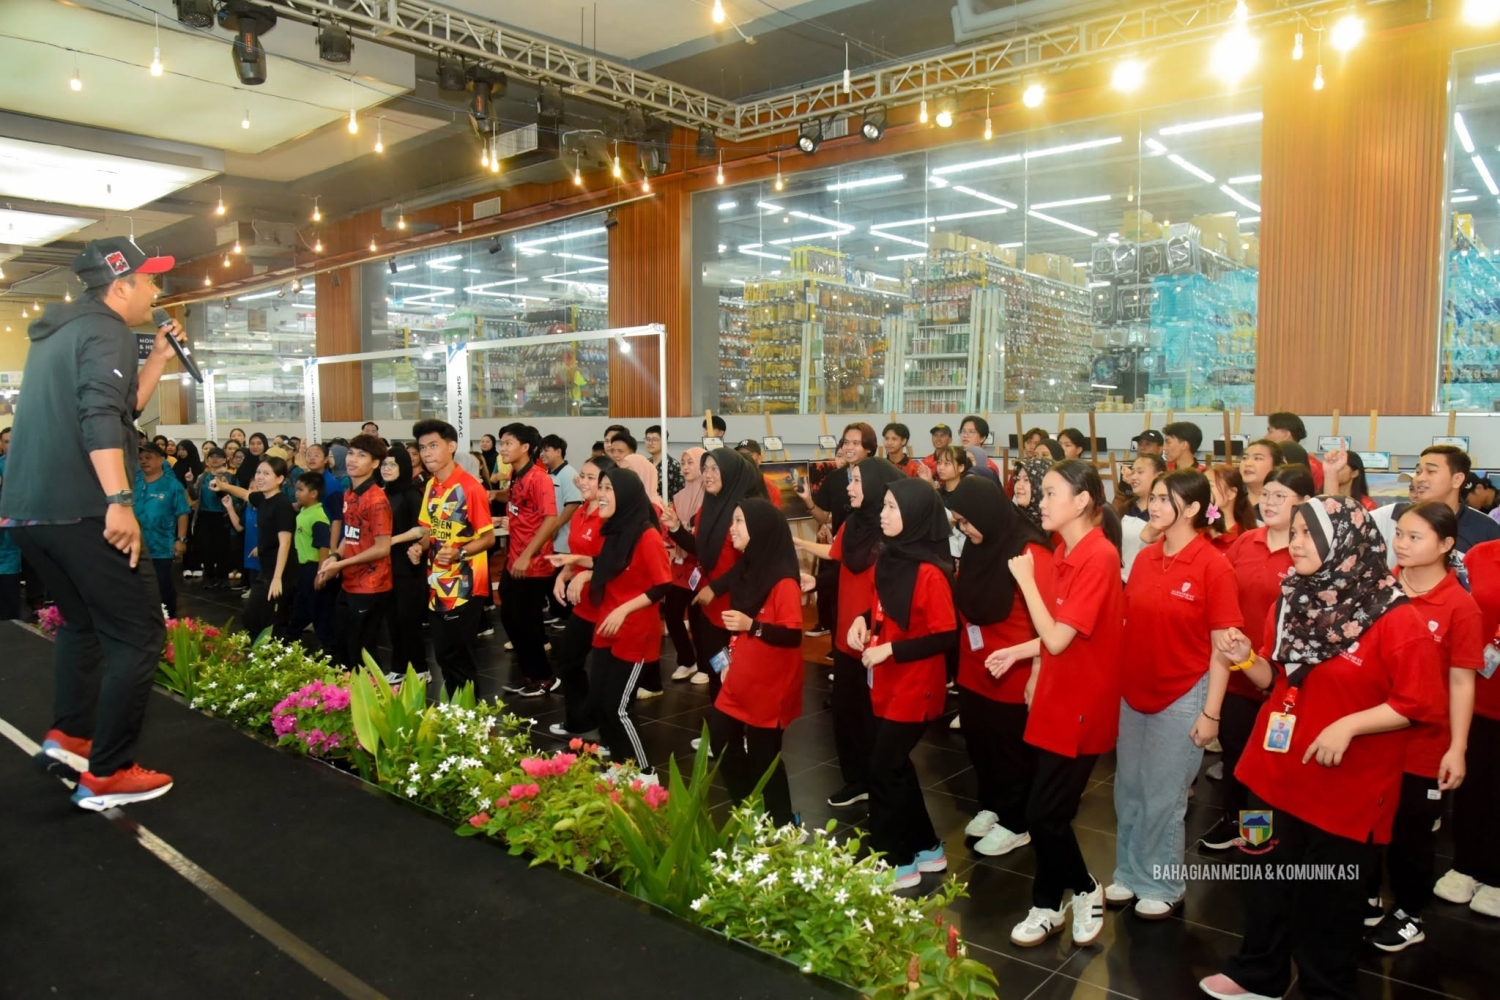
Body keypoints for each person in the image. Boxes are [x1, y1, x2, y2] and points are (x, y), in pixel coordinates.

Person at [1200, 496, 1445, 1000]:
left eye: (1309, 534)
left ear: (1347, 543)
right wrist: (1245, 659)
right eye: (1294, 532)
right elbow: (1275, 678)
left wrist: (1350, 725)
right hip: (1270, 772)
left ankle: (1324, 988)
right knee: (1264, 876)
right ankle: (1258, 973)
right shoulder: (1292, 597)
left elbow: (1420, 703)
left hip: (1344, 785)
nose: (1296, 543)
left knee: (1329, 898)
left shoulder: (1394, 617)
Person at [10, 238, 184, 808]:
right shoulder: (107, 330)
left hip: (32, 512)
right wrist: (119, 499)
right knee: (140, 636)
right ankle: (107, 773)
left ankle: (71, 737)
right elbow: (100, 415)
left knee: (84, 625)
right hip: (85, 508)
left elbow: (120, 407)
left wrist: (157, 358)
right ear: (120, 285)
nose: (155, 290)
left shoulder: (59, 332)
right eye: (148, 279)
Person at [989, 460, 1122, 948]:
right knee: (1048, 811)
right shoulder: (1067, 549)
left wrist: (1025, 581)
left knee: (1045, 814)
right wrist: (1019, 652)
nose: (1039, 502)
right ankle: (1046, 904)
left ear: (1082, 500)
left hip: (1082, 702)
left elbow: (1060, 638)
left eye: (1049, 493)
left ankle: (1085, 888)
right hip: (1056, 694)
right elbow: (1057, 633)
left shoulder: (1099, 556)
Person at [1108, 470, 1241, 919]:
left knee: (1164, 796)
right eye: (1155, 497)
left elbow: (1224, 648)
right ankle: (1129, 873)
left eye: (1166, 499)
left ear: (1193, 508)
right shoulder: (1146, 558)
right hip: (1134, 691)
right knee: (1129, 789)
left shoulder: (1213, 565)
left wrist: (1212, 712)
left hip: (1184, 692)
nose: (1155, 505)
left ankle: (1163, 884)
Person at [1361, 502, 1483, 951]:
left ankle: (1410, 912)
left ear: (1447, 544)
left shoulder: (1460, 606)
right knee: (1367, 822)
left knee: (1412, 833)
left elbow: (1462, 681)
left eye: (1415, 537)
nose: (1402, 544)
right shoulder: (1379, 588)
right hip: (1373, 733)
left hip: (1425, 743)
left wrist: (1457, 748)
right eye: (1400, 534)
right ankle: (1367, 897)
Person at [1200, 464, 1317, 852]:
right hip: (1237, 671)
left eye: (1280, 496)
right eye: (1266, 494)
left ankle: (1261, 836)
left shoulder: (1307, 552)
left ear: (1304, 503)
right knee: (1237, 757)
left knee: (1270, 768)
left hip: (1282, 683)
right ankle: (1235, 823)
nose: (1269, 502)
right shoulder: (1246, 542)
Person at [847, 480, 957, 890]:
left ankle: (897, 861)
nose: (883, 514)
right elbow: (882, 607)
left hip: (916, 683)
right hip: (888, 678)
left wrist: (890, 649)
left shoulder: (930, 573)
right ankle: (926, 847)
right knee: (894, 766)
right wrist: (861, 620)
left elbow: (946, 636)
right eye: (885, 506)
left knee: (883, 768)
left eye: (892, 507)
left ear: (914, 515)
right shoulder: (889, 557)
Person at [946, 477, 1052, 857]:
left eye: (966, 521)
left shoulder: (1029, 550)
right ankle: (992, 805)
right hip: (974, 663)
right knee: (980, 740)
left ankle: (1016, 822)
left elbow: (1049, 620)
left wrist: (1037, 670)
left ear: (986, 513)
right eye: (958, 522)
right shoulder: (979, 544)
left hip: (1013, 667)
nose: (963, 529)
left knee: (1010, 749)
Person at [795, 457, 905, 808]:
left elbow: (893, 590)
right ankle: (856, 780)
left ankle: (878, 781)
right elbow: (841, 566)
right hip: (846, 637)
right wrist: (816, 581)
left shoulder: (891, 531)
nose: (849, 487)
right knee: (846, 713)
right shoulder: (853, 525)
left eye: (856, 481)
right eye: (850, 480)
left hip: (878, 639)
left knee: (875, 718)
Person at [710, 498, 806, 827]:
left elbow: (792, 635)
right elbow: (735, 628)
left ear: (760, 529)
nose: (732, 529)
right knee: (722, 740)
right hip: (741, 678)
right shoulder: (747, 568)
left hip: (770, 686)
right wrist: (725, 661)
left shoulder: (783, 581)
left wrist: (753, 625)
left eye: (739, 521)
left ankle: (782, 823)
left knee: (765, 759)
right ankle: (749, 809)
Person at [585, 467, 672, 766]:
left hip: (634, 631)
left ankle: (644, 772)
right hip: (608, 626)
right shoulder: (614, 529)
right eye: (601, 487)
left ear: (626, 494)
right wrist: (580, 572)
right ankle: (620, 767)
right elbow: (609, 567)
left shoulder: (647, 535)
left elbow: (662, 584)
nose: (601, 494)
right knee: (599, 702)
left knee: (619, 708)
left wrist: (623, 609)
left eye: (609, 488)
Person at [662, 448, 759, 710]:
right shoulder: (709, 508)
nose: (708, 474)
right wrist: (675, 528)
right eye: (705, 469)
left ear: (730, 472)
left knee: (737, 668)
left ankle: (739, 723)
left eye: (715, 468)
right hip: (712, 605)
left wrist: (715, 587)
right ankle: (722, 723)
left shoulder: (746, 511)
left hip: (738, 605)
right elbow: (700, 550)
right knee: (718, 665)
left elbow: (752, 562)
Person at [1439, 537, 1500, 918]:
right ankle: (1466, 864)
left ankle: (1496, 877)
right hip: (1477, 694)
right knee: (1473, 785)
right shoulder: (1481, 555)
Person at [412, 419, 495, 696]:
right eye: (423, 447)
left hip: (465, 586)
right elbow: (427, 531)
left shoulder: (470, 488)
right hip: (437, 583)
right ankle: (455, 712)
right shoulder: (431, 486)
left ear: (451, 447)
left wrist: (460, 552)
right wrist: (419, 547)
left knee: (460, 659)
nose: (426, 453)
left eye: (433, 446)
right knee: (444, 657)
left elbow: (488, 538)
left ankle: (471, 715)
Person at [547, 456, 614, 740]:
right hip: (583, 605)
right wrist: (564, 574)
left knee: (605, 673)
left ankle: (610, 732)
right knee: (568, 661)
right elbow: (576, 554)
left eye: (590, 478)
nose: (582, 482)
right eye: (582, 476)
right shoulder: (581, 512)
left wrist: (583, 574)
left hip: (606, 605)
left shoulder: (610, 517)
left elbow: (612, 563)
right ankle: (580, 722)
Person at [496, 423, 563, 697]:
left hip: (533, 562)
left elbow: (551, 520)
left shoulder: (539, 478)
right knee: (510, 616)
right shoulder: (515, 473)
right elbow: (519, 504)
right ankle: (530, 674)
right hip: (515, 557)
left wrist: (526, 555)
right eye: (501, 443)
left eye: (508, 443)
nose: (502, 448)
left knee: (524, 619)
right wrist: (494, 496)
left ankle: (544, 677)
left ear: (525, 447)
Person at [1343, 445, 1500, 559]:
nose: (1420, 478)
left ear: (1457, 479)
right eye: (1418, 471)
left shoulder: (1486, 529)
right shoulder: (1390, 515)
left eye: (1431, 471)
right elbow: (1342, 535)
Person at [317, 435, 393, 672]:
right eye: (351, 453)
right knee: (344, 648)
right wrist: (335, 557)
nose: (352, 459)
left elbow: (382, 547)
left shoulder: (376, 499)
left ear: (375, 463)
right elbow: (350, 535)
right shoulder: (349, 491)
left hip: (371, 585)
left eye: (362, 455)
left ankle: (374, 693)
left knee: (363, 653)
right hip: (350, 581)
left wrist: (340, 565)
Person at [796, 423, 875, 643]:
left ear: (869, 447)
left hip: (868, 554)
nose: (849, 447)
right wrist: (808, 501)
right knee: (838, 607)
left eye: (856, 443)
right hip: (839, 550)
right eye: (846, 442)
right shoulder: (835, 478)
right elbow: (823, 517)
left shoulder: (877, 476)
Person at [212, 456, 297, 640]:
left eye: (266, 473)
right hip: (265, 569)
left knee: (271, 619)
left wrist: (277, 578)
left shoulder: (282, 504)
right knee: (252, 615)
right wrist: (224, 486)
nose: (260, 477)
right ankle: (261, 650)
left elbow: (285, 543)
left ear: (279, 479)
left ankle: (275, 651)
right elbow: (245, 494)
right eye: (258, 472)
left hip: (280, 571)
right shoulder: (262, 498)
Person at [380, 445, 429, 682]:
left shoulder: (412, 495)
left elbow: (422, 529)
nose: (387, 469)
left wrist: (392, 541)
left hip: (409, 565)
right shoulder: (383, 493)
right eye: (384, 464)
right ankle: (398, 667)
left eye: (393, 464)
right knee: (393, 620)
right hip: (388, 564)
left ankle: (421, 668)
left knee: (409, 620)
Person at [134, 442, 191, 618]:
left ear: (160, 460)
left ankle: (169, 620)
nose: (144, 461)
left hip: (162, 546)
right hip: (136, 545)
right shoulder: (134, 482)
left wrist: (181, 540)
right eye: (141, 458)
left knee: (162, 586)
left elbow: (182, 513)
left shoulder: (172, 485)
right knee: (137, 586)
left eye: (148, 457)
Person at [666, 448, 706, 684]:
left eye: (691, 462)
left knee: (699, 620)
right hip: (681, 565)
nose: (685, 467)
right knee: (672, 615)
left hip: (702, 568)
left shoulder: (710, 497)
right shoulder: (679, 497)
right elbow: (672, 531)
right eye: (683, 463)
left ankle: (704, 665)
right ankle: (686, 660)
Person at [540, 434, 583, 624]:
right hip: (552, 538)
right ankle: (557, 611)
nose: (542, 454)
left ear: (559, 452)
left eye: (546, 450)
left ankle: (565, 615)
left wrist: (555, 526)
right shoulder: (548, 474)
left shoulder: (568, 473)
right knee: (552, 577)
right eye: (541, 450)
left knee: (563, 575)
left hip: (564, 537)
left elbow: (573, 504)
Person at [285, 472, 331, 645]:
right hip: (303, 569)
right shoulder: (305, 510)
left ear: (313, 493)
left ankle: (329, 647)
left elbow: (324, 546)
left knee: (318, 611)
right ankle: (291, 639)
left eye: (300, 490)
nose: (296, 493)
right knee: (300, 607)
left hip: (313, 567)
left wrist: (321, 573)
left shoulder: (318, 516)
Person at [1119, 454, 1167, 579]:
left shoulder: (1166, 513)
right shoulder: (1124, 508)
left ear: (1159, 475)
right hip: (1122, 580)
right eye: (1132, 472)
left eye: (1140, 472)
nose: (1133, 477)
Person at [1265, 411, 1325, 492]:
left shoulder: (1314, 467)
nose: (1265, 436)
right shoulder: (1267, 461)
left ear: (1286, 434)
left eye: (1270, 431)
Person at [1207, 464, 1258, 552]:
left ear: (1231, 493)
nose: (1202, 490)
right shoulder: (1194, 531)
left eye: (1210, 486)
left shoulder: (1245, 539)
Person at [1237, 439, 1285, 516]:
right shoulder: (1232, 496)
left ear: (1275, 466)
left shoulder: (1282, 501)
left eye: (1257, 458)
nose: (1248, 463)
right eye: (1244, 458)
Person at [1011, 457, 1051, 534]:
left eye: (1026, 480)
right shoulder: (1013, 519)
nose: (1019, 486)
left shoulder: (1053, 527)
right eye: (1018, 479)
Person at [643, 425, 684, 500]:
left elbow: (680, 492)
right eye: (648, 439)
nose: (650, 443)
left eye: (654, 440)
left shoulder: (673, 465)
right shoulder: (645, 463)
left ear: (664, 441)